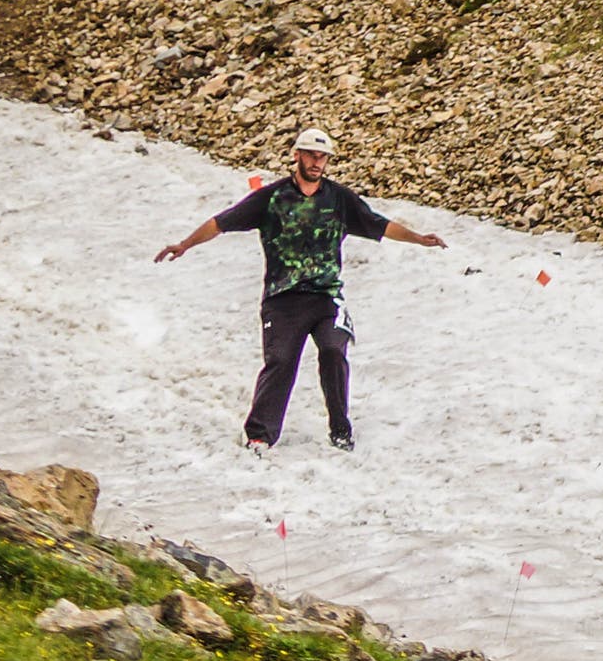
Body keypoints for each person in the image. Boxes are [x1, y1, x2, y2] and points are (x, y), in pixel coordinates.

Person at [152, 126, 445, 452]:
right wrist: (184, 244)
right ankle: (259, 434)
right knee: (280, 360)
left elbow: (379, 224)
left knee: (334, 352)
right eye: (312, 155)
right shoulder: (272, 198)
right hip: (282, 299)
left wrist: (418, 238)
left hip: (326, 296)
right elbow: (221, 222)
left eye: (323, 157)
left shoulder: (339, 199)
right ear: (297, 156)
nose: (317, 162)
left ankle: (340, 430)